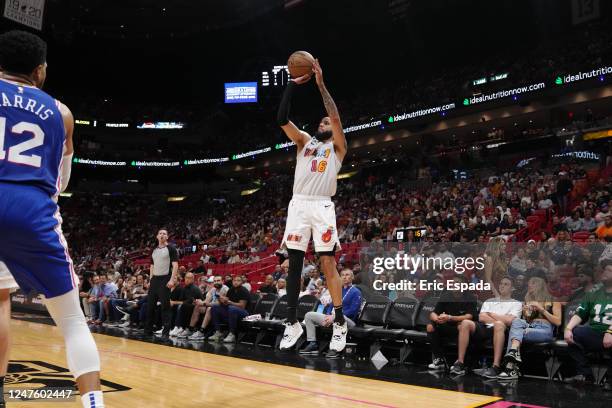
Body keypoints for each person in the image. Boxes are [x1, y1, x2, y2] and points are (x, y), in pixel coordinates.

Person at [0, 31, 104, 408]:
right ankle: (94, 404)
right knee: (73, 322)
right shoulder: (61, 112)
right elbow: (62, 182)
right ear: (40, 71)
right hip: (31, 209)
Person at [276, 59, 349, 353]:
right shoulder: (304, 142)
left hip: (321, 206)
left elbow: (335, 115)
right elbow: (282, 118)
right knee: (293, 261)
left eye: (327, 122)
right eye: (320, 121)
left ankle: (340, 321)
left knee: (327, 262)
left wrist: (320, 85)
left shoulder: (338, 148)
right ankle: (291, 322)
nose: (324, 123)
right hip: (299, 204)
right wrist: (292, 86)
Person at [450, 277, 522, 377]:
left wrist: (491, 314)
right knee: (465, 322)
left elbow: (510, 321)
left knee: (499, 324)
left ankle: (496, 366)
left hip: (502, 330)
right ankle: (460, 363)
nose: (502, 285)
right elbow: (482, 317)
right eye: (501, 283)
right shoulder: (489, 300)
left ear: (512, 288)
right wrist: (501, 318)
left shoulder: (517, 304)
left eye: (506, 284)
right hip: (484, 327)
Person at [498, 277, 562, 380]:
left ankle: (510, 367)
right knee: (517, 321)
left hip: (544, 329)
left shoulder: (554, 300)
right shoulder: (529, 300)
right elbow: (527, 320)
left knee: (515, 334)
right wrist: (526, 313)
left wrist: (541, 309)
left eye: (532, 283)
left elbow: (558, 322)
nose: (529, 285)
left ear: (540, 285)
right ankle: (514, 352)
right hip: (529, 326)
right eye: (529, 284)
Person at [564, 260, 612, 391]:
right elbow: (580, 312)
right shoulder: (595, 291)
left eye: (608, 270)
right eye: (603, 269)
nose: (604, 272)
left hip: (610, 333)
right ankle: (585, 375)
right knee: (575, 334)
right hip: (596, 332)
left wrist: (610, 332)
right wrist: (568, 328)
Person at [299, 269, 362, 358]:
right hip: (333, 317)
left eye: (347, 275)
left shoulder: (356, 292)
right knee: (309, 315)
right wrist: (328, 316)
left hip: (348, 320)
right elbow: (331, 306)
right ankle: (312, 343)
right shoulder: (338, 290)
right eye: (342, 275)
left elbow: (353, 311)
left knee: (340, 318)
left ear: (352, 277)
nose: (344, 277)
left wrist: (335, 316)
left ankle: (335, 349)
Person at [427, 275, 478, 371]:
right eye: (453, 282)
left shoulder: (470, 297)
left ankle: (461, 362)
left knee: (461, 326)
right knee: (430, 327)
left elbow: (469, 316)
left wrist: (450, 318)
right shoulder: (446, 296)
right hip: (447, 325)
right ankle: (440, 359)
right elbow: (433, 313)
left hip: (461, 326)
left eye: (457, 282)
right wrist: (437, 319)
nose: (454, 284)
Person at [144, 229, 179, 338]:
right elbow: (152, 266)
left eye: (164, 233)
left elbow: (175, 265)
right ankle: (147, 332)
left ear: (167, 237)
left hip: (165, 279)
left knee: (165, 307)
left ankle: (165, 333)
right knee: (150, 306)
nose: (162, 235)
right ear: (157, 236)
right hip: (155, 279)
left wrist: (172, 280)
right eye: (160, 233)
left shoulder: (171, 249)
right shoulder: (153, 250)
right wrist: (150, 280)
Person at [208, 275, 250, 343]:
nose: (236, 282)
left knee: (232, 308)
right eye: (234, 280)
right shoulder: (231, 290)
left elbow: (242, 306)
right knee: (215, 308)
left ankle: (232, 334)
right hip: (232, 310)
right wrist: (221, 300)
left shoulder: (244, 291)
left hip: (244, 313)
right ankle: (218, 332)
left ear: (242, 282)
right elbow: (226, 303)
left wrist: (230, 302)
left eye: (238, 280)